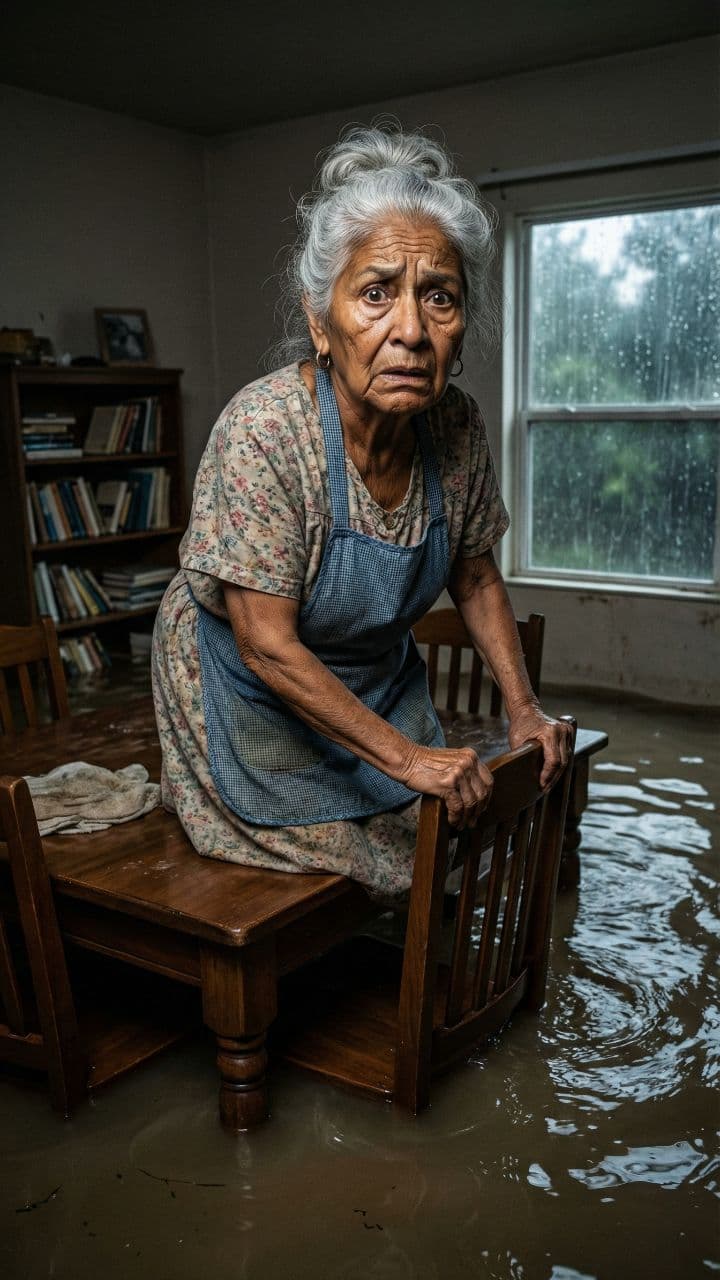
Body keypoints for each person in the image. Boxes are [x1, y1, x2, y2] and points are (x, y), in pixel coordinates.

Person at [152, 123, 572, 901]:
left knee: (444, 839)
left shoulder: (455, 425)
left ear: (462, 321)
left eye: (438, 297)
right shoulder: (266, 429)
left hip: (368, 677)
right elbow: (267, 646)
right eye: (377, 293)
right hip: (247, 684)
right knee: (331, 877)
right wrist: (411, 760)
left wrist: (524, 710)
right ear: (321, 320)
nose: (410, 331)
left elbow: (474, 577)